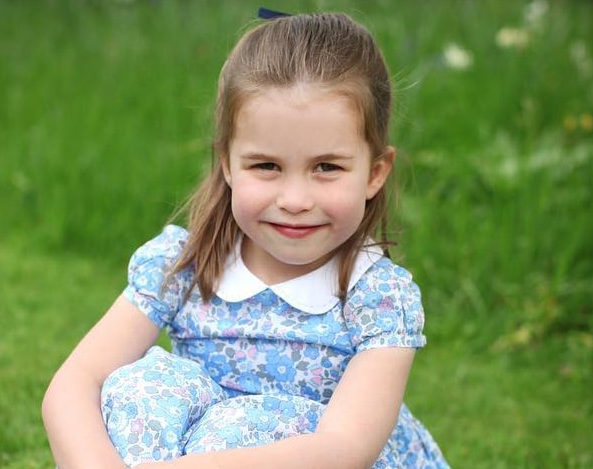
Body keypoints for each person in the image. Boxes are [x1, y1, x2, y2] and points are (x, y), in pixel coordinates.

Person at [42, 10, 450, 469]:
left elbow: (344, 449)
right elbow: (77, 381)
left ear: (375, 173)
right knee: (139, 388)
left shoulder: (376, 298)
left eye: (327, 167)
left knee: (237, 430)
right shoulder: (186, 264)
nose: (295, 199)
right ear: (228, 164)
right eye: (267, 166)